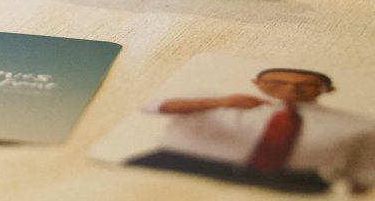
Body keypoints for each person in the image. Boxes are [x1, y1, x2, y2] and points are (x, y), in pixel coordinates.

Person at [128, 68, 375, 194]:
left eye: (306, 85)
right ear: (258, 84)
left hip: (292, 182)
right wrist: (221, 102)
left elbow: (362, 174)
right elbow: (154, 106)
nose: (291, 89)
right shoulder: (215, 98)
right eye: (278, 82)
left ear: (327, 90)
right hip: (183, 165)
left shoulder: (355, 124)